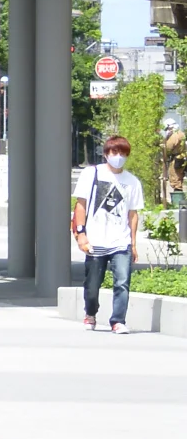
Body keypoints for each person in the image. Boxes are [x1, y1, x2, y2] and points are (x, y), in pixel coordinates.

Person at [72, 133, 143, 332]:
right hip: (95, 240)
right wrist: (81, 233)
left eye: (122, 153)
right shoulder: (92, 173)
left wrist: (133, 243)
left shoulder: (133, 182)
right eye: (114, 151)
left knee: (122, 282)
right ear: (106, 154)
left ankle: (118, 320)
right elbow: (80, 205)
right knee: (92, 284)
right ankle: (91, 313)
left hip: (121, 241)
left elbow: (133, 214)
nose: (118, 156)